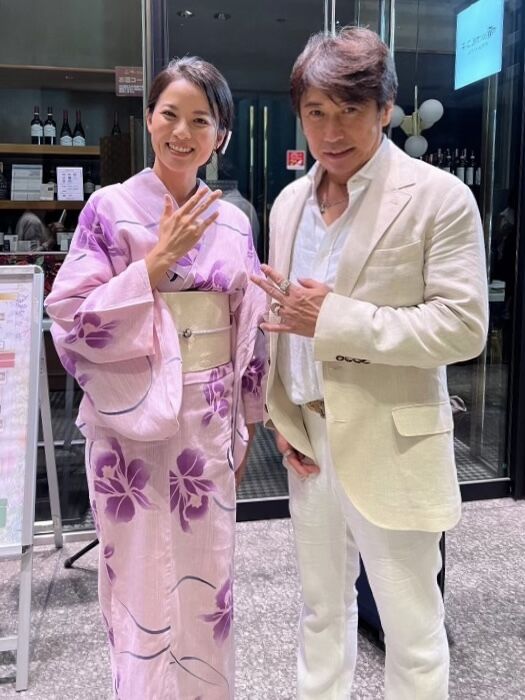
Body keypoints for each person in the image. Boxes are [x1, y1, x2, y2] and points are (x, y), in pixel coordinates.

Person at [252, 27, 488, 700]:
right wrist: (283, 417)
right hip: (310, 444)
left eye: (350, 110)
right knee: (321, 614)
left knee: (412, 631)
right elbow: (283, 319)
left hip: (392, 441)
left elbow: (462, 326)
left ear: (384, 109)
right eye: (316, 112)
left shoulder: (439, 198)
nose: (331, 132)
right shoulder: (289, 204)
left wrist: (334, 319)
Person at [45, 56, 267, 699]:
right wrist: (153, 265)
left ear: (220, 135)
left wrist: (250, 418)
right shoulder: (109, 208)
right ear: (149, 120)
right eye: (170, 114)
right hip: (130, 424)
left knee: (206, 573)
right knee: (141, 575)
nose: (182, 132)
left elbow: (247, 325)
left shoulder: (234, 221)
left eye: (201, 120)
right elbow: (71, 316)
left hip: (208, 422)